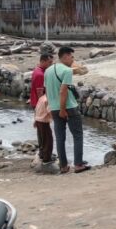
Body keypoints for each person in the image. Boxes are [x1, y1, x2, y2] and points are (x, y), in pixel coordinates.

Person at [44, 46, 90, 174]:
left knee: (60, 137)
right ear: (65, 56)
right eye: (71, 56)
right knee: (78, 135)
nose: (73, 59)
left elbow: (47, 90)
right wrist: (62, 109)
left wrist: (51, 106)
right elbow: (63, 90)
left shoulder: (48, 70)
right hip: (68, 107)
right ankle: (78, 164)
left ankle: (63, 166)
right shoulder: (66, 71)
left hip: (53, 107)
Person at [31, 53, 54, 164]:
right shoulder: (40, 74)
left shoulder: (37, 71)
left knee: (41, 132)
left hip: (36, 105)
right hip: (40, 106)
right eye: (50, 62)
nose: (51, 64)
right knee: (46, 134)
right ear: (43, 61)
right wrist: (48, 108)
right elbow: (40, 94)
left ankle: (42, 153)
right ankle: (46, 157)